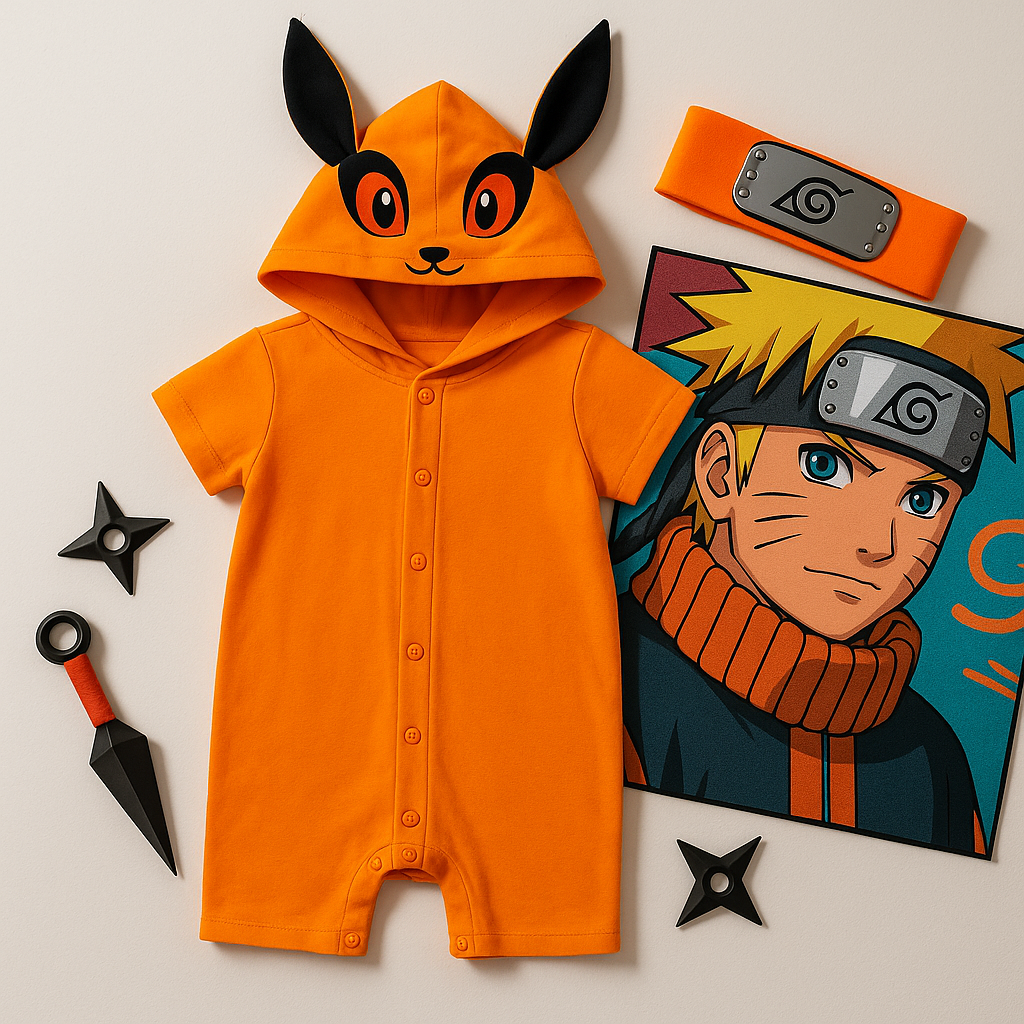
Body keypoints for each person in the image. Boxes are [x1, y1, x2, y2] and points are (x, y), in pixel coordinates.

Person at [612, 268, 1024, 854]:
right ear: (721, 473)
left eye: (922, 501)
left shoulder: (932, 755)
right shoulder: (604, 673)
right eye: (824, 467)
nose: (878, 543)